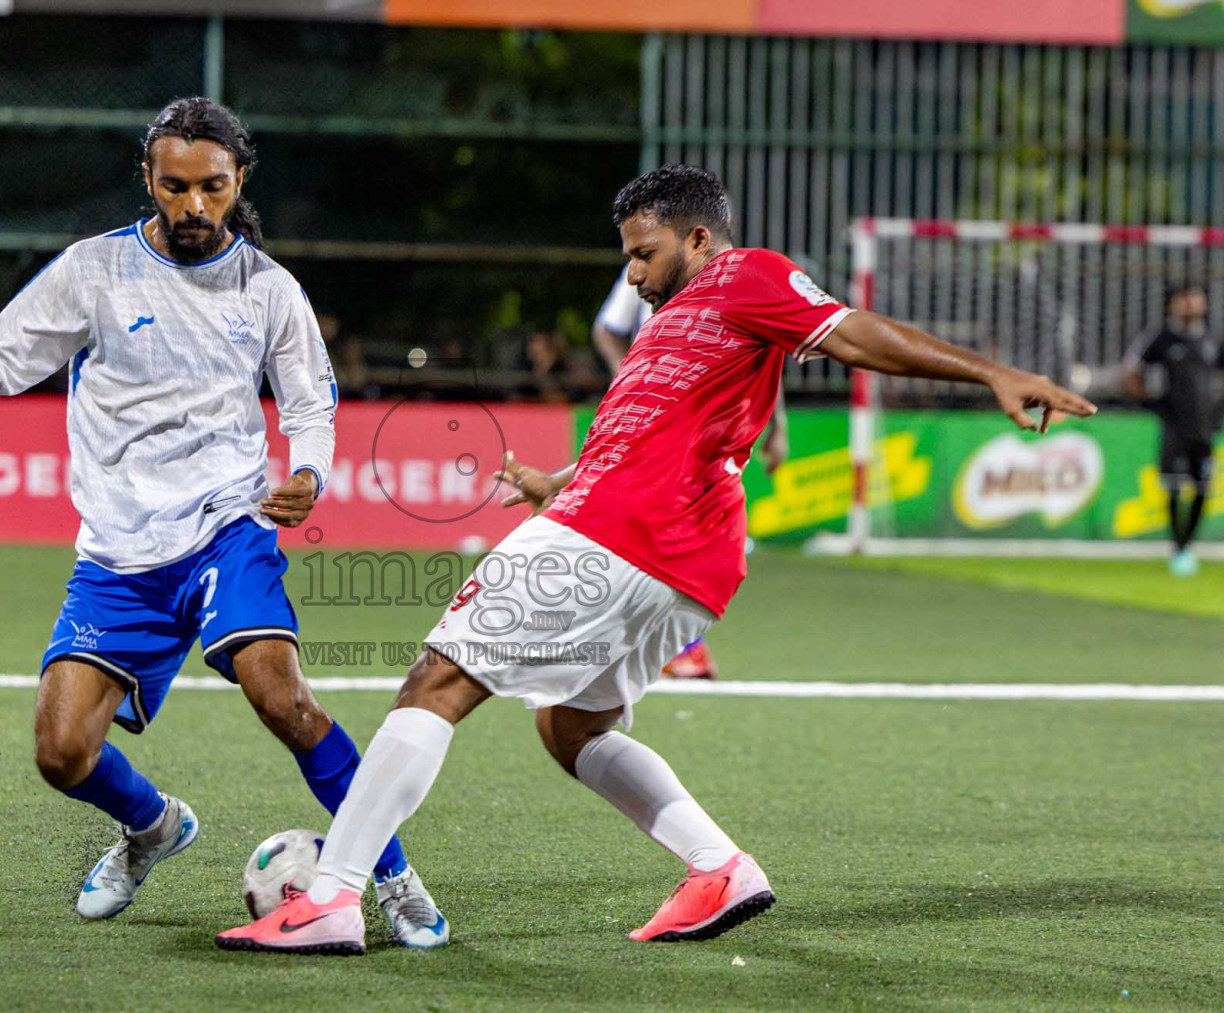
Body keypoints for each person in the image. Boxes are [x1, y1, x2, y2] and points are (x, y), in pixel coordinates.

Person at [216, 165, 1095, 955]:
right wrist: (555, 482)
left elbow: (852, 331)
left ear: (700, 239)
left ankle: (333, 897)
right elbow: (638, 442)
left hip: (621, 538)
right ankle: (718, 868)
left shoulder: (747, 276)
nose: (632, 275)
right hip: (677, 559)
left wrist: (990, 375)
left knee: (436, 685)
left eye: (645, 254)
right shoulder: (674, 328)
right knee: (572, 726)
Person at [0, 97, 446, 946]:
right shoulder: (96, 271)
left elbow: (312, 404)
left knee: (282, 697)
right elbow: (2, 357)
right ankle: (154, 826)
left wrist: (308, 473)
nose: (195, 206)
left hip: (225, 527)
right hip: (119, 553)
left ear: (239, 181)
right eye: (175, 186)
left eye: (214, 187)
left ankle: (390, 873)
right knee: (61, 753)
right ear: (149, 180)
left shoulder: (269, 289)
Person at [593, 266, 791, 681]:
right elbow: (606, 329)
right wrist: (628, 378)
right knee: (655, 525)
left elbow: (763, 353)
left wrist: (779, 426)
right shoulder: (653, 268)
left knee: (684, 528)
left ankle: (675, 644)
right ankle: (671, 644)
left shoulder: (741, 280)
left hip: (713, 417)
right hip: (657, 412)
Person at [1125, 284, 1222, 576]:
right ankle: (1178, 548)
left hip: (1206, 429)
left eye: (1196, 298)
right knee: (1174, 486)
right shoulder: (1162, 337)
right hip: (1173, 427)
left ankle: (1186, 546)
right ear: (1174, 305)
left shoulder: (1214, 339)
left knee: (1203, 487)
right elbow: (1131, 369)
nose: (1191, 304)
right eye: (1185, 299)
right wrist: (1149, 401)